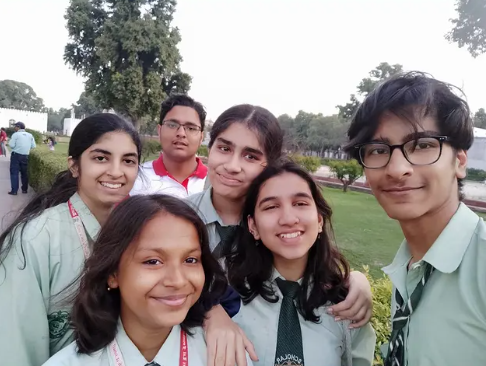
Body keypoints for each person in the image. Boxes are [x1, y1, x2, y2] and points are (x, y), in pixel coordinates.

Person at [187, 104, 373, 366]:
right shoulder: (178, 219)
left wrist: (356, 280)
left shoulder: (277, 231)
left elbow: (312, 269)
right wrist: (210, 310)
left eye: (251, 156)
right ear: (210, 147)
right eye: (224, 148)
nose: (232, 165)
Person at [344, 71, 486, 366]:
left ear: (459, 161)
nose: (397, 168)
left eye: (422, 145)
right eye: (379, 150)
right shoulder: (413, 266)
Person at [42, 194, 253, 366]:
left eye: (190, 259)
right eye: (153, 261)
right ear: (113, 273)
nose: (178, 280)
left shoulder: (225, 356)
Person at [0, 113, 142, 366]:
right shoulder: (35, 239)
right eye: (101, 158)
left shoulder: (142, 232)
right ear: (74, 165)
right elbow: (17, 348)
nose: (116, 172)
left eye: (128, 161)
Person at [226, 159, 376, 366]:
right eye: (271, 206)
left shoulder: (347, 305)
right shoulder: (227, 297)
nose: (288, 218)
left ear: (320, 219)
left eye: (300, 204)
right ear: (253, 226)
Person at [130, 94, 208, 198]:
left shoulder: (214, 182)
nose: (181, 133)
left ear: (201, 137)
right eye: (172, 125)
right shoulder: (136, 178)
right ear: (159, 130)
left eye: (191, 128)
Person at [8, 121, 36, 195]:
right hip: (25, 156)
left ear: (18, 127)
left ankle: (14, 191)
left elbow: (11, 145)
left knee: (14, 173)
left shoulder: (16, 135)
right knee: (24, 173)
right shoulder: (30, 135)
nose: (14, 128)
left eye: (15, 126)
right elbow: (33, 146)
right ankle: (24, 189)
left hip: (16, 155)